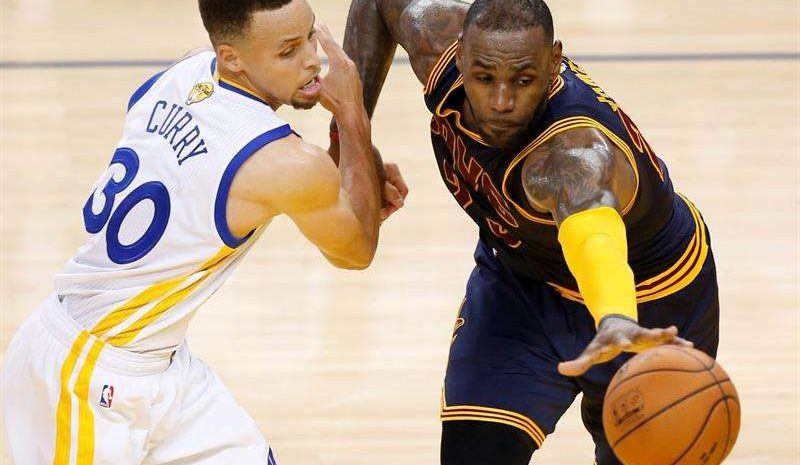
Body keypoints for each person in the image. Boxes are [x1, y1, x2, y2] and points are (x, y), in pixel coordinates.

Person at [1, 0, 407, 463]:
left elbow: (222, 178)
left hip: (159, 360)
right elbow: (354, 250)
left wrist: (344, 179)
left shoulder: (185, 72)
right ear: (232, 57)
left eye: (312, 35)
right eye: (288, 50)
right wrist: (352, 113)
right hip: (87, 373)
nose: (312, 60)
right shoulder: (286, 163)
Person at [333, 0, 719, 463]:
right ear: (458, 55)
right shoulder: (433, 37)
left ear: (554, 62)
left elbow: (592, 234)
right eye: (483, 78)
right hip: (523, 284)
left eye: (523, 80)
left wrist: (615, 316)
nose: (501, 101)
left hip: (649, 302)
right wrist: (350, 144)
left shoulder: (571, 154)